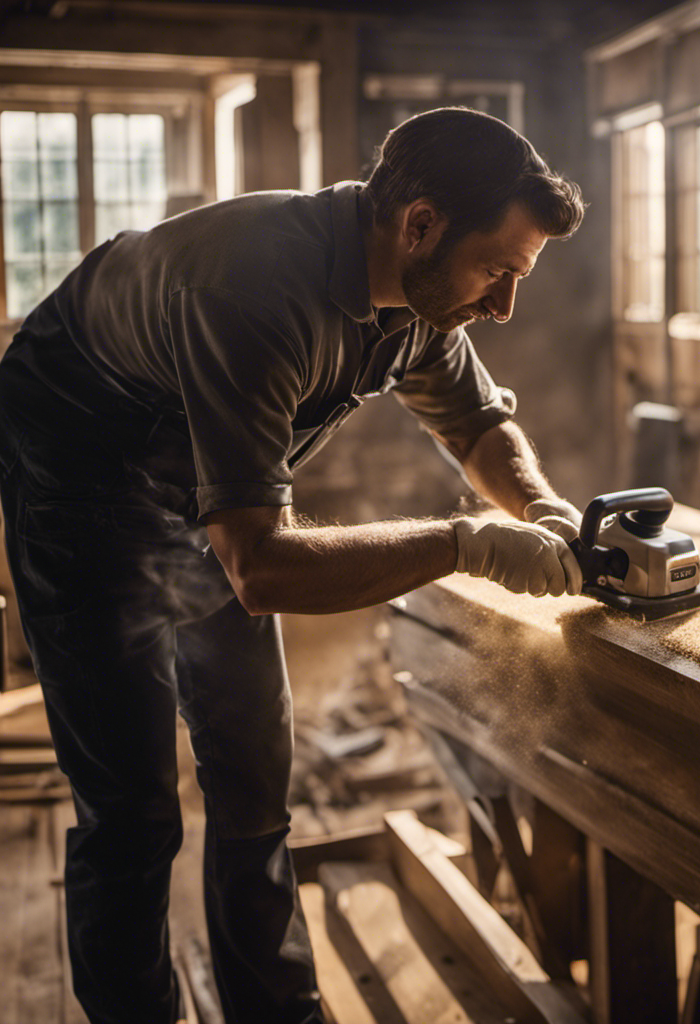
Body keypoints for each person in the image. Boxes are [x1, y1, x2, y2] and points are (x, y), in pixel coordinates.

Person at [0, 106, 586, 1024]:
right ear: (421, 223)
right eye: (497, 271)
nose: (504, 305)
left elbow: (477, 423)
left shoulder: (423, 294)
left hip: (201, 495)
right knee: (134, 810)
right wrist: (463, 543)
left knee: (254, 778)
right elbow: (262, 571)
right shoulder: (255, 288)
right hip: (78, 477)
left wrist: (541, 505)